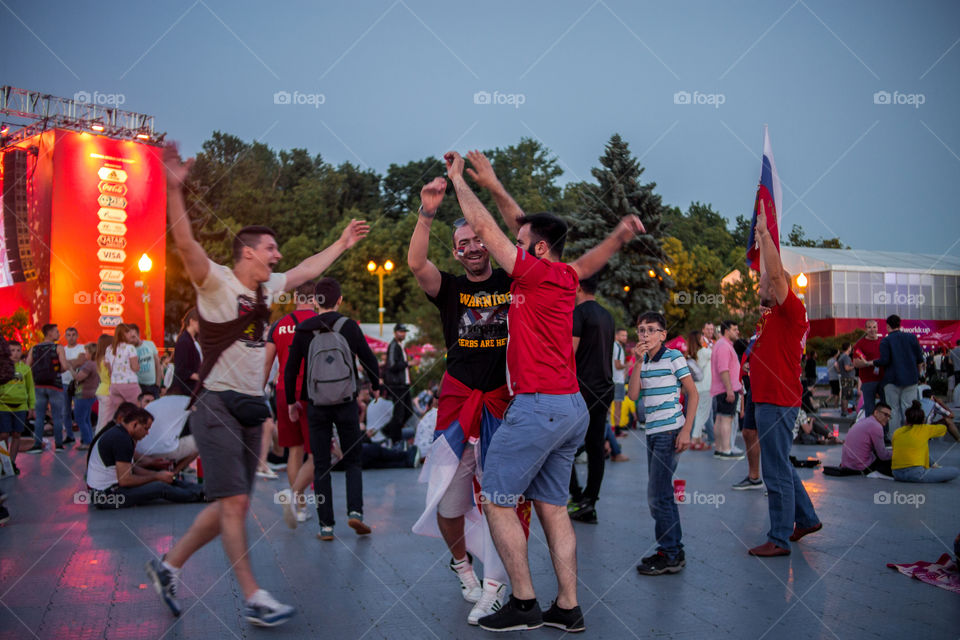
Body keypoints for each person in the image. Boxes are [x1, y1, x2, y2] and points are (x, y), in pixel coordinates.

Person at [145, 142, 368, 627]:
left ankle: (168, 565)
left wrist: (342, 244)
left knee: (232, 504)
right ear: (248, 251)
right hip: (217, 406)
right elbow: (186, 245)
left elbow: (307, 269)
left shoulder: (267, 288)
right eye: (270, 248)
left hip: (252, 408)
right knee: (236, 503)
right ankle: (253, 597)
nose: (278, 254)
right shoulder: (216, 281)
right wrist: (173, 190)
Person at [445, 149, 643, 632]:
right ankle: (568, 608)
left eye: (519, 244)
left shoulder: (532, 273)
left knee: (496, 500)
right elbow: (546, 237)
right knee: (553, 507)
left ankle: (524, 602)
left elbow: (486, 227)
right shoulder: (563, 274)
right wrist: (494, 183)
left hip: (538, 408)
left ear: (535, 250)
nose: (508, 247)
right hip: (571, 408)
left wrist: (459, 181)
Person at [407, 167, 519, 625]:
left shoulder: (510, 281)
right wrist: (426, 214)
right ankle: (462, 565)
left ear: (488, 243)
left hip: (502, 406)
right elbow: (417, 264)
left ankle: (497, 583)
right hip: (458, 407)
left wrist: (482, 188)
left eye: (478, 240)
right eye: (463, 244)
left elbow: (521, 238)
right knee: (448, 503)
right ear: (455, 252)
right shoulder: (450, 288)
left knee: (500, 500)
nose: (472, 248)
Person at [746, 203, 821, 557]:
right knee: (781, 465)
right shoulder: (770, 317)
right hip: (768, 399)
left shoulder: (793, 310)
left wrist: (764, 234)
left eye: (763, 282)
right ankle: (806, 518)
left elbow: (776, 275)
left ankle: (778, 538)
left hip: (777, 401)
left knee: (774, 471)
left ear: (780, 288)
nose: (759, 284)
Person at [284, 277, 381, 541]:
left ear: (315, 302)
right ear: (339, 300)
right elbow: (368, 358)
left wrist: (292, 401)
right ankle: (355, 512)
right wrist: (375, 386)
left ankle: (326, 526)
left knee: (321, 464)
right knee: (353, 460)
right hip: (346, 402)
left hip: (316, 404)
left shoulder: (304, 329)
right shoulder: (349, 326)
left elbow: (291, 370)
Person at [628, 311, 698, 575]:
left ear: (663, 334)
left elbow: (692, 393)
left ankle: (669, 553)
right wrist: (637, 362)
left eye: (651, 330)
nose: (645, 334)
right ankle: (673, 550)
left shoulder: (674, 357)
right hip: (653, 432)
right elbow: (633, 394)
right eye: (641, 329)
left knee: (657, 495)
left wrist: (686, 431)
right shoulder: (644, 361)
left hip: (669, 432)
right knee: (662, 492)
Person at [264, 281, 318, 527]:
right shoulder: (321, 323)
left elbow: (266, 363)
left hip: (283, 391)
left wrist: (257, 392)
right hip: (312, 391)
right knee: (318, 451)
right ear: (315, 299)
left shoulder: (278, 325)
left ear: (296, 298)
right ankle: (297, 496)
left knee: (294, 450)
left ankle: (301, 506)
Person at [84, 407, 204, 509]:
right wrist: (156, 477)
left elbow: (132, 469)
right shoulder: (121, 439)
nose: (147, 433)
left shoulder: (120, 433)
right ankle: (201, 496)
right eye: (146, 428)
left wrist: (159, 475)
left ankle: (202, 489)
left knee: (164, 479)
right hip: (106, 497)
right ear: (135, 424)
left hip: (108, 491)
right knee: (160, 488)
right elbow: (125, 480)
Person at [568, 273, 616, 524]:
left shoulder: (578, 314)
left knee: (563, 444)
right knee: (595, 445)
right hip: (604, 388)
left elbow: (569, 353)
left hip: (582, 389)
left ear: (577, 288)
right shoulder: (607, 316)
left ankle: (576, 495)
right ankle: (590, 501)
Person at [872, 314, 923, 440]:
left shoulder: (886, 341)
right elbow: (920, 359)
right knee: (909, 409)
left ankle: (894, 437)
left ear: (887, 326)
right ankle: (910, 436)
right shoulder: (912, 337)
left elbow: (884, 360)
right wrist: (919, 375)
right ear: (900, 324)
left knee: (893, 410)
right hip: (911, 379)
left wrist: (872, 362)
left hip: (892, 379)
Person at [24, 324, 69, 453]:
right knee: (57, 417)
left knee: (39, 417)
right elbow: (65, 366)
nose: (59, 334)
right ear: (49, 333)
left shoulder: (34, 349)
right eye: (56, 331)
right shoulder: (58, 348)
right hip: (55, 385)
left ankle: (37, 445)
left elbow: (27, 366)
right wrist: (57, 371)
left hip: (38, 385)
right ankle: (59, 445)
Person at [891, 401, 959, 483]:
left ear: (906, 419)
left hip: (897, 474)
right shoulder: (926, 429)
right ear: (923, 420)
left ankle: (934, 465)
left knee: (921, 447)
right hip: (916, 474)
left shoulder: (897, 432)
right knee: (955, 471)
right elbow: (947, 423)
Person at [135, 395, 200, 474]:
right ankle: (173, 473)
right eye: (147, 401)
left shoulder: (155, 405)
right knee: (201, 440)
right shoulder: (187, 401)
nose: (147, 433)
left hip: (144, 455)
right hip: (156, 454)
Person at [732, 334, 763, 490]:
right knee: (748, 431)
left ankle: (778, 485)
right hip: (754, 386)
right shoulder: (756, 334)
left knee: (771, 436)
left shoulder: (775, 327)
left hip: (769, 386)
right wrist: (747, 363)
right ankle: (754, 477)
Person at [711, 320, 743, 459]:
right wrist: (729, 389)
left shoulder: (722, 344)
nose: (737, 332)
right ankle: (726, 450)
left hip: (722, 388)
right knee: (726, 419)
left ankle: (719, 449)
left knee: (720, 418)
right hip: (726, 388)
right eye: (735, 329)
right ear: (727, 331)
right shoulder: (724, 346)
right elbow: (723, 369)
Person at [0, 340, 34, 474]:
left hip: (21, 407)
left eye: (18, 350)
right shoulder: (2, 368)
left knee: (16, 434)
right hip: (3, 406)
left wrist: (31, 406)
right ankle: (4, 462)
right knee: (3, 434)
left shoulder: (25, 369)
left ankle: (12, 462)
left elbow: (30, 388)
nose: (15, 354)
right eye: (12, 350)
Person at [836, 402, 893, 476]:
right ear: (876, 412)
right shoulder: (876, 426)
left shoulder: (863, 421)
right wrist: (897, 453)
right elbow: (883, 455)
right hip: (861, 467)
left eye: (889, 417)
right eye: (885, 415)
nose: (887, 419)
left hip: (847, 464)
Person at [383, 323, 413, 444]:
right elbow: (392, 365)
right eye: (401, 331)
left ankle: (389, 430)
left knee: (408, 412)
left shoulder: (400, 346)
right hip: (397, 385)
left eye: (404, 332)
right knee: (399, 414)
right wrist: (408, 364)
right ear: (395, 332)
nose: (403, 334)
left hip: (403, 384)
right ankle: (394, 438)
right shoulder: (393, 346)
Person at [106, 324, 141, 412]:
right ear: (124, 334)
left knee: (120, 412)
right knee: (137, 409)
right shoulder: (130, 348)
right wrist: (138, 365)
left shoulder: (109, 349)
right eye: (129, 332)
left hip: (114, 384)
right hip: (129, 383)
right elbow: (135, 368)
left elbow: (109, 369)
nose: (131, 335)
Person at [167, 308, 201, 396]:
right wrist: (199, 377)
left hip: (190, 389)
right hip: (183, 390)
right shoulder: (184, 341)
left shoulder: (192, 340)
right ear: (191, 321)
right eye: (199, 322)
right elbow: (181, 370)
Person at [72, 343, 100, 450]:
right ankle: (88, 439)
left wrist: (70, 369)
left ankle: (87, 441)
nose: (85, 354)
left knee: (80, 419)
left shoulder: (89, 365)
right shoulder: (96, 364)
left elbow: (78, 377)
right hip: (92, 393)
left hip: (84, 394)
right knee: (86, 418)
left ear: (91, 353)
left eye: (87, 351)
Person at [853, 320, 884, 416]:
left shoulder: (883, 341)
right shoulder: (860, 344)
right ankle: (870, 425)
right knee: (870, 408)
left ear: (877, 328)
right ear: (865, 329)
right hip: (868, 381)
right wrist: (868, 364)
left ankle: (884, 426)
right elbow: (856, 363)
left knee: (885, 407)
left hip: (884, 379)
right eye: (869, 327)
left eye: (874, 327)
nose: (872, 330)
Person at [61, 327, 85, 445]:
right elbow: (62, 366)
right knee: (65, 411)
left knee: (79, 410)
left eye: (73, 334)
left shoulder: (82, 348)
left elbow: (80, 362)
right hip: (64, 383)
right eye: (69, 335)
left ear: (77, 336)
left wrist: (66, 363)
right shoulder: (62, 350)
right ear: (65, 336)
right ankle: (69, 436)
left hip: (78, 383)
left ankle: (84, 436)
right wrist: (73, 361)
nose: (71, 337)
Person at [689, 330, 713, 449]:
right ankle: (694, 439)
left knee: (699, 413)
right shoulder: (704, 352)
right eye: (701, 337)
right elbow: (715, 353)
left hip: (697, 387)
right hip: (706, 386)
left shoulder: (692, 353)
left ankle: (697, 439)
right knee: (703, 414)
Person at [130, 324, 161, 398]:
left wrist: (157, 384)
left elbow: (158, 364)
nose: (132, 340)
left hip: (153, 385)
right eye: (130, 338)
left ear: (139, 335)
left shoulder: (150, 344)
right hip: (139, 386)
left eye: (133, 337)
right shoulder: (130, 350)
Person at [93, 335, 114, 434]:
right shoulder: (107, 360)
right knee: (106, 422)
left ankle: (97, 440)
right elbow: (112, 375)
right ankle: (100, 441)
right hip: (108, 392)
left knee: (101, 421)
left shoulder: (99, 359)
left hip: (102, 389)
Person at [611, 328, 628, 430]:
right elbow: (617, 365)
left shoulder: (615, 346)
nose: (625, 338)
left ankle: (612, 429)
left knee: (614, 406)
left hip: (614, 379)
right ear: (616, 336)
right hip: (617, 380)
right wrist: (627, 365)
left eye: (626, 336)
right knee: (618, 405)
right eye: (622, 335)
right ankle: (617, 430)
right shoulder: (617, 347)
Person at [837, 342, 857, 416]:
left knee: (845, 395)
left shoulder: (841, 356)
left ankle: (844, 411)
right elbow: (847, 368)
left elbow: (838, 368)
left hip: (844, 377)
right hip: (848, 378)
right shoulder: (846, 357)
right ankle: (845, 411)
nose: (851, 348)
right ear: (848, 348)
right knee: (846, 396)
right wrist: (854, 366)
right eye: (850, 347)